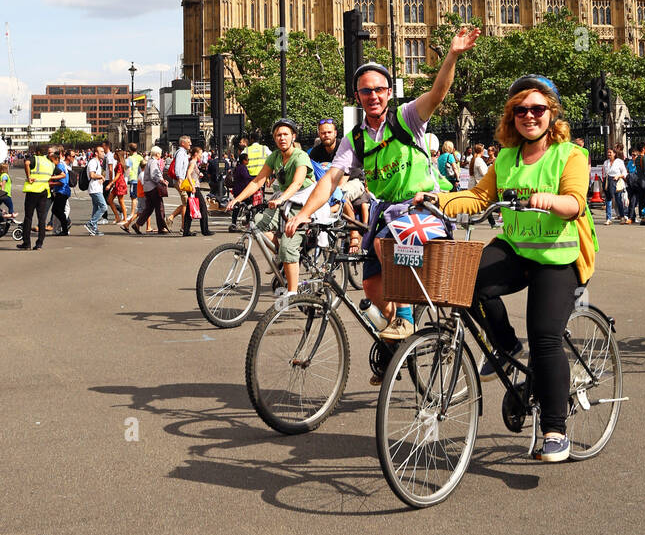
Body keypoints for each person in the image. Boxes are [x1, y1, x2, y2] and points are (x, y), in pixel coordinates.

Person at [429, 75, 595, 463]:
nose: (528, 116)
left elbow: (575, 203)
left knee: (545, 337)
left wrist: (551, 200)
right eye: (520, 110)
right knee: (463, 280)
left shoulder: (571, 154)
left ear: (552, 114)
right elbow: (477, 197)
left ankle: (555, 430)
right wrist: (435, 198)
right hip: (518, 249)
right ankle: (505, 347)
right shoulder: (505, 157)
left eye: (537, 109)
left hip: (558, 258)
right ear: (512, 116)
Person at [284, 25, 480, 352]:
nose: (372, 95)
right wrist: (304, 214)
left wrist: (452, 56)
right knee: (372, 286)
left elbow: (437, 94)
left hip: (425, 209)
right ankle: (398, 339)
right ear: (357, 97)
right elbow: (331, 179)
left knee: (387, 243)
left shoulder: (407, 118)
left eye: (379, 89)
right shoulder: (355, 139)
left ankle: (405, 317)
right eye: (365, 91)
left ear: (389, 93)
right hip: (387, 214)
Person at [226, 120, 315, 290]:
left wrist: (281, 199)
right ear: (274, 139)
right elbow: (258, 181)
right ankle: (280, 255)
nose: (282, 138)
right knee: (256, 223)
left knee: (288, 247)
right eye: (278, 135)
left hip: (303, 203)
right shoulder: (274, 156)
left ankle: (293, 293)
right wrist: (237, 199)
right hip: (284, 200)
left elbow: (297, 183)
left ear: (293, 137)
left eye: (285, 134)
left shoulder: (300, 156)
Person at [19, 143, 54, 249]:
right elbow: (60, 173)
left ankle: (27, 243)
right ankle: (39, 243)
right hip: (44, 191)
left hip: (33, 190)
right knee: (41, 218)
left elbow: (27, 163)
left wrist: (28, 176)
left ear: (38, 152)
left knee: (28, 217)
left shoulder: (35, 159)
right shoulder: (50, 163)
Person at [129, 147, 169, 235]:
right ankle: (162, 227)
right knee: (159, 207)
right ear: (157, 154)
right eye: (160, 153)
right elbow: (154, 175)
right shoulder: (154, 162)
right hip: (153, 187)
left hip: (147, 188)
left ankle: (137, 224)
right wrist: (161, 180)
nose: (160, 155)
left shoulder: (150, 161)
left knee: (149, 208)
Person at [180, 144, 212, 237]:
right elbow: (188, 174)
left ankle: (186, 231)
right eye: (200, 153)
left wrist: (199, 174)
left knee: (190, 209)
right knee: (203, 208)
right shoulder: (193, 162)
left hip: (194, 187)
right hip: (194, 188)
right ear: (196, 154)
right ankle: (205, 230)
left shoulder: (193, 162)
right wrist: (193, 186)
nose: (201, 155)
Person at [165, 136, 192, 232]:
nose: (190, 144)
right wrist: (180, 178)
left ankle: (172, 218)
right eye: (188, 142)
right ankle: (183, 227)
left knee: (186, 203)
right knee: (186, 203)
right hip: (179, 180)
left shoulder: (183, 153)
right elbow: (178, 167)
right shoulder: (181, 153)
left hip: (180, 180)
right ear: (182, 143)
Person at [85, 142, 108, 238]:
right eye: (101, 151)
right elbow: (92, 175)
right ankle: (90, 223)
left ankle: (93, 229)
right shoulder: (93, 162)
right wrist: (101, 176)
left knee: (96, 209)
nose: (103, 153)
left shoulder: (98, 162)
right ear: (96, 153)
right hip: (94, 189)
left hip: (97, 188)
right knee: (103, 207)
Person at [48, 146, 72, 236]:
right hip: (62, 192)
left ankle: (65, 225)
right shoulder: (60, 166)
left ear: (56, 159)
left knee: (56, 210)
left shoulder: (59, 167)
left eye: (52, 160)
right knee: (58, 210)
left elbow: (62, 182)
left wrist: (51, 184)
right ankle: (65, 227)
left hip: (62, 192)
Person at [602, 147, 628, 224]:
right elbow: (604, 173)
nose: (609, 154)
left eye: (610, 153)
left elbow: (624, 173)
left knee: (618, 199)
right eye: (608, 153)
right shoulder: (606, 162)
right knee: (608, 200)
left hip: (616, 181)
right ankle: (608, 218)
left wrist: (618, 176)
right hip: (608, 181)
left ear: (614, 154)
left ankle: (622, 217)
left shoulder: (619, 162)